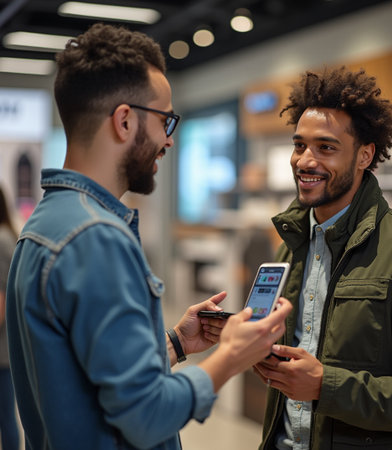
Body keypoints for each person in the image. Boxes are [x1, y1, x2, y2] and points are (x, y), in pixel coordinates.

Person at [6, 23, 292, 450]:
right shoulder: (97, 238)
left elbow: (86, 380)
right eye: (166, 121)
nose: (169, 141)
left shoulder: (44, 225)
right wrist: (231, 356)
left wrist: (175, 343)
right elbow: (146, 416)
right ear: (124, 121)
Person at [254, 66, 392, 449]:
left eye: (326, 148)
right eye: (299, 145)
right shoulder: (290, 246)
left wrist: (326, 387)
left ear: (365, 156)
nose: (305, 161)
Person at [0, 187, 20, 450]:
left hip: (2, 352)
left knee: (6, 419)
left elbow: (1, 300)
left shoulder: (1, 240)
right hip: (7, 350)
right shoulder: (8, 236)